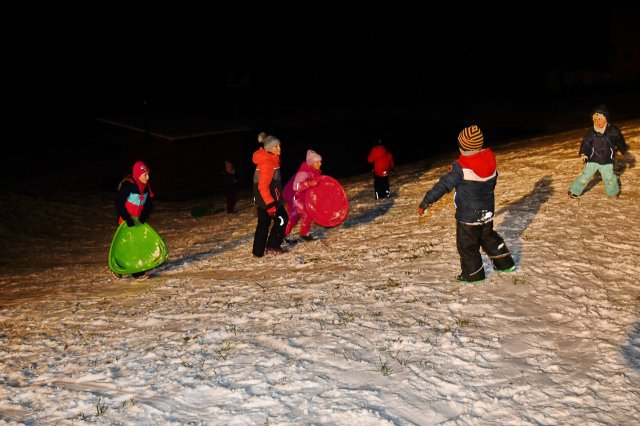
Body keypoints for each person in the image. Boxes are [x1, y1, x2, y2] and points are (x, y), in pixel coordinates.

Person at [418, 125, 515, 283]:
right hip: (487, 210)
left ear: (462, 147)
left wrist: (427, 201)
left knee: (467, 245)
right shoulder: (490, 160)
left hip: (468, 215)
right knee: (488, 236)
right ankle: (505, 263)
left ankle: (473, 275)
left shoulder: (460, 167)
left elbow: (443, 185)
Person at [568, 104, 631, 199]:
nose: (598, 122)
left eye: (600, 119)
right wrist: (584, 153)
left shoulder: (613, 131)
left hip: (607, 160)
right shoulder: (591, 132)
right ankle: (574, 191)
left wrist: (624, 150)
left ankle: (613, 193)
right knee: (585, 176)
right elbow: (585, 144)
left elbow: (620, 141)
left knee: (609, 178)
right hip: (593, 159)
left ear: (606, 118)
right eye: (595, 120)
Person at [114, 160, 154, 279]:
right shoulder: (129, 186)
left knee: (136, 245)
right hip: (125, 222)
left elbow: (148, 205)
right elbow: (118, 204)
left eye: (148, 174)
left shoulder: (146, 188)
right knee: (126, 246)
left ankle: (137, 271)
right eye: (145, 174)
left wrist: (143, 218)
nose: (148, 177)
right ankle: (117, 268)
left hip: (137, 222)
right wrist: (127, 219)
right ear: (138, 174)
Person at [252, 133, 289, 257]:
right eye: (276, 146)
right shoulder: (267, 163)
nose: (279, 148)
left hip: (265, 201)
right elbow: (262, 186)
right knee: (282, 219)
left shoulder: (270, 160)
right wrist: (271, 205)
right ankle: (273, 246)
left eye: (279, 146)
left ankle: (258, 252)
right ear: (269, 149)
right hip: (269, 201)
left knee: (263, 224)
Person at [283, 149, 323, 242]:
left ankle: (286, 234)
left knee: (295, 216)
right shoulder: (304, 172)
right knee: (304, 213)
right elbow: (296, 186)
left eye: (320, 162)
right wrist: (309, 184)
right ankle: (302, 234)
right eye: (318, 162)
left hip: (301, 197)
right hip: (294, 197)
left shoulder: (314, 172)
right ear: (312, 163)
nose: (320, 164)